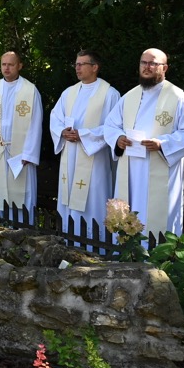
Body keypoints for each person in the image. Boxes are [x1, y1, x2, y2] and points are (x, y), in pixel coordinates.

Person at [104, 48, 184, 238]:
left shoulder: (177, 97)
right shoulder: (129, 96)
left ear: (164, 68)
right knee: (128, 211)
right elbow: (110, 125)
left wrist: (162, 144)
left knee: (156, 219)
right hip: (130, 168)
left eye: (153, 63)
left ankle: (157, 254)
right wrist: (118, 138)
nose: (147, 67)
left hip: (159, 166)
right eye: (143, 62)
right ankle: (127, 253)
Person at [48, 50, 120, 238]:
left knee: (92, 198)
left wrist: (85, 135)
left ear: (95, 67)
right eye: (76, 64)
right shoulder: (68, 93)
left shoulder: (110, 94)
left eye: (82, 64)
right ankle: (68, 240)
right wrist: (62, 132)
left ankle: (94, 243)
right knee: (69, 196)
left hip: (94, 158)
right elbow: (55, 117)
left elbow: (114, 128)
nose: (77, 68)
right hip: (70, 155)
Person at [0, 51, 44, 212]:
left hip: (19, 154)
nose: (6, 68)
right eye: (3, 64)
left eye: (11, 65)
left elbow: (35, 123)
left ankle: (17, 225)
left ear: (19, 66)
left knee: (19, 194)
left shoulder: (30, 90)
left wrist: (29, 154)